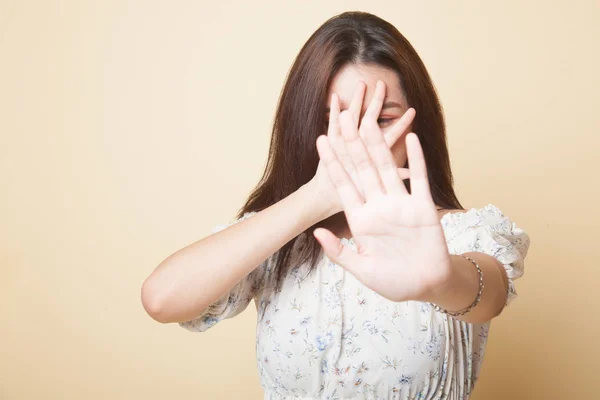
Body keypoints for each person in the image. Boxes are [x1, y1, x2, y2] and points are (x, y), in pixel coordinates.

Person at [141, 11, 530, 399]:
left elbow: (488, 294)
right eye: (336, 122)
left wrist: (441, 279)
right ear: (306, 126)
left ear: (416, 125)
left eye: (381, 119)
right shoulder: (280, 241)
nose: (359, 140)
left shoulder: (464, 232)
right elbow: (161, 299)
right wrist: (317, 196)